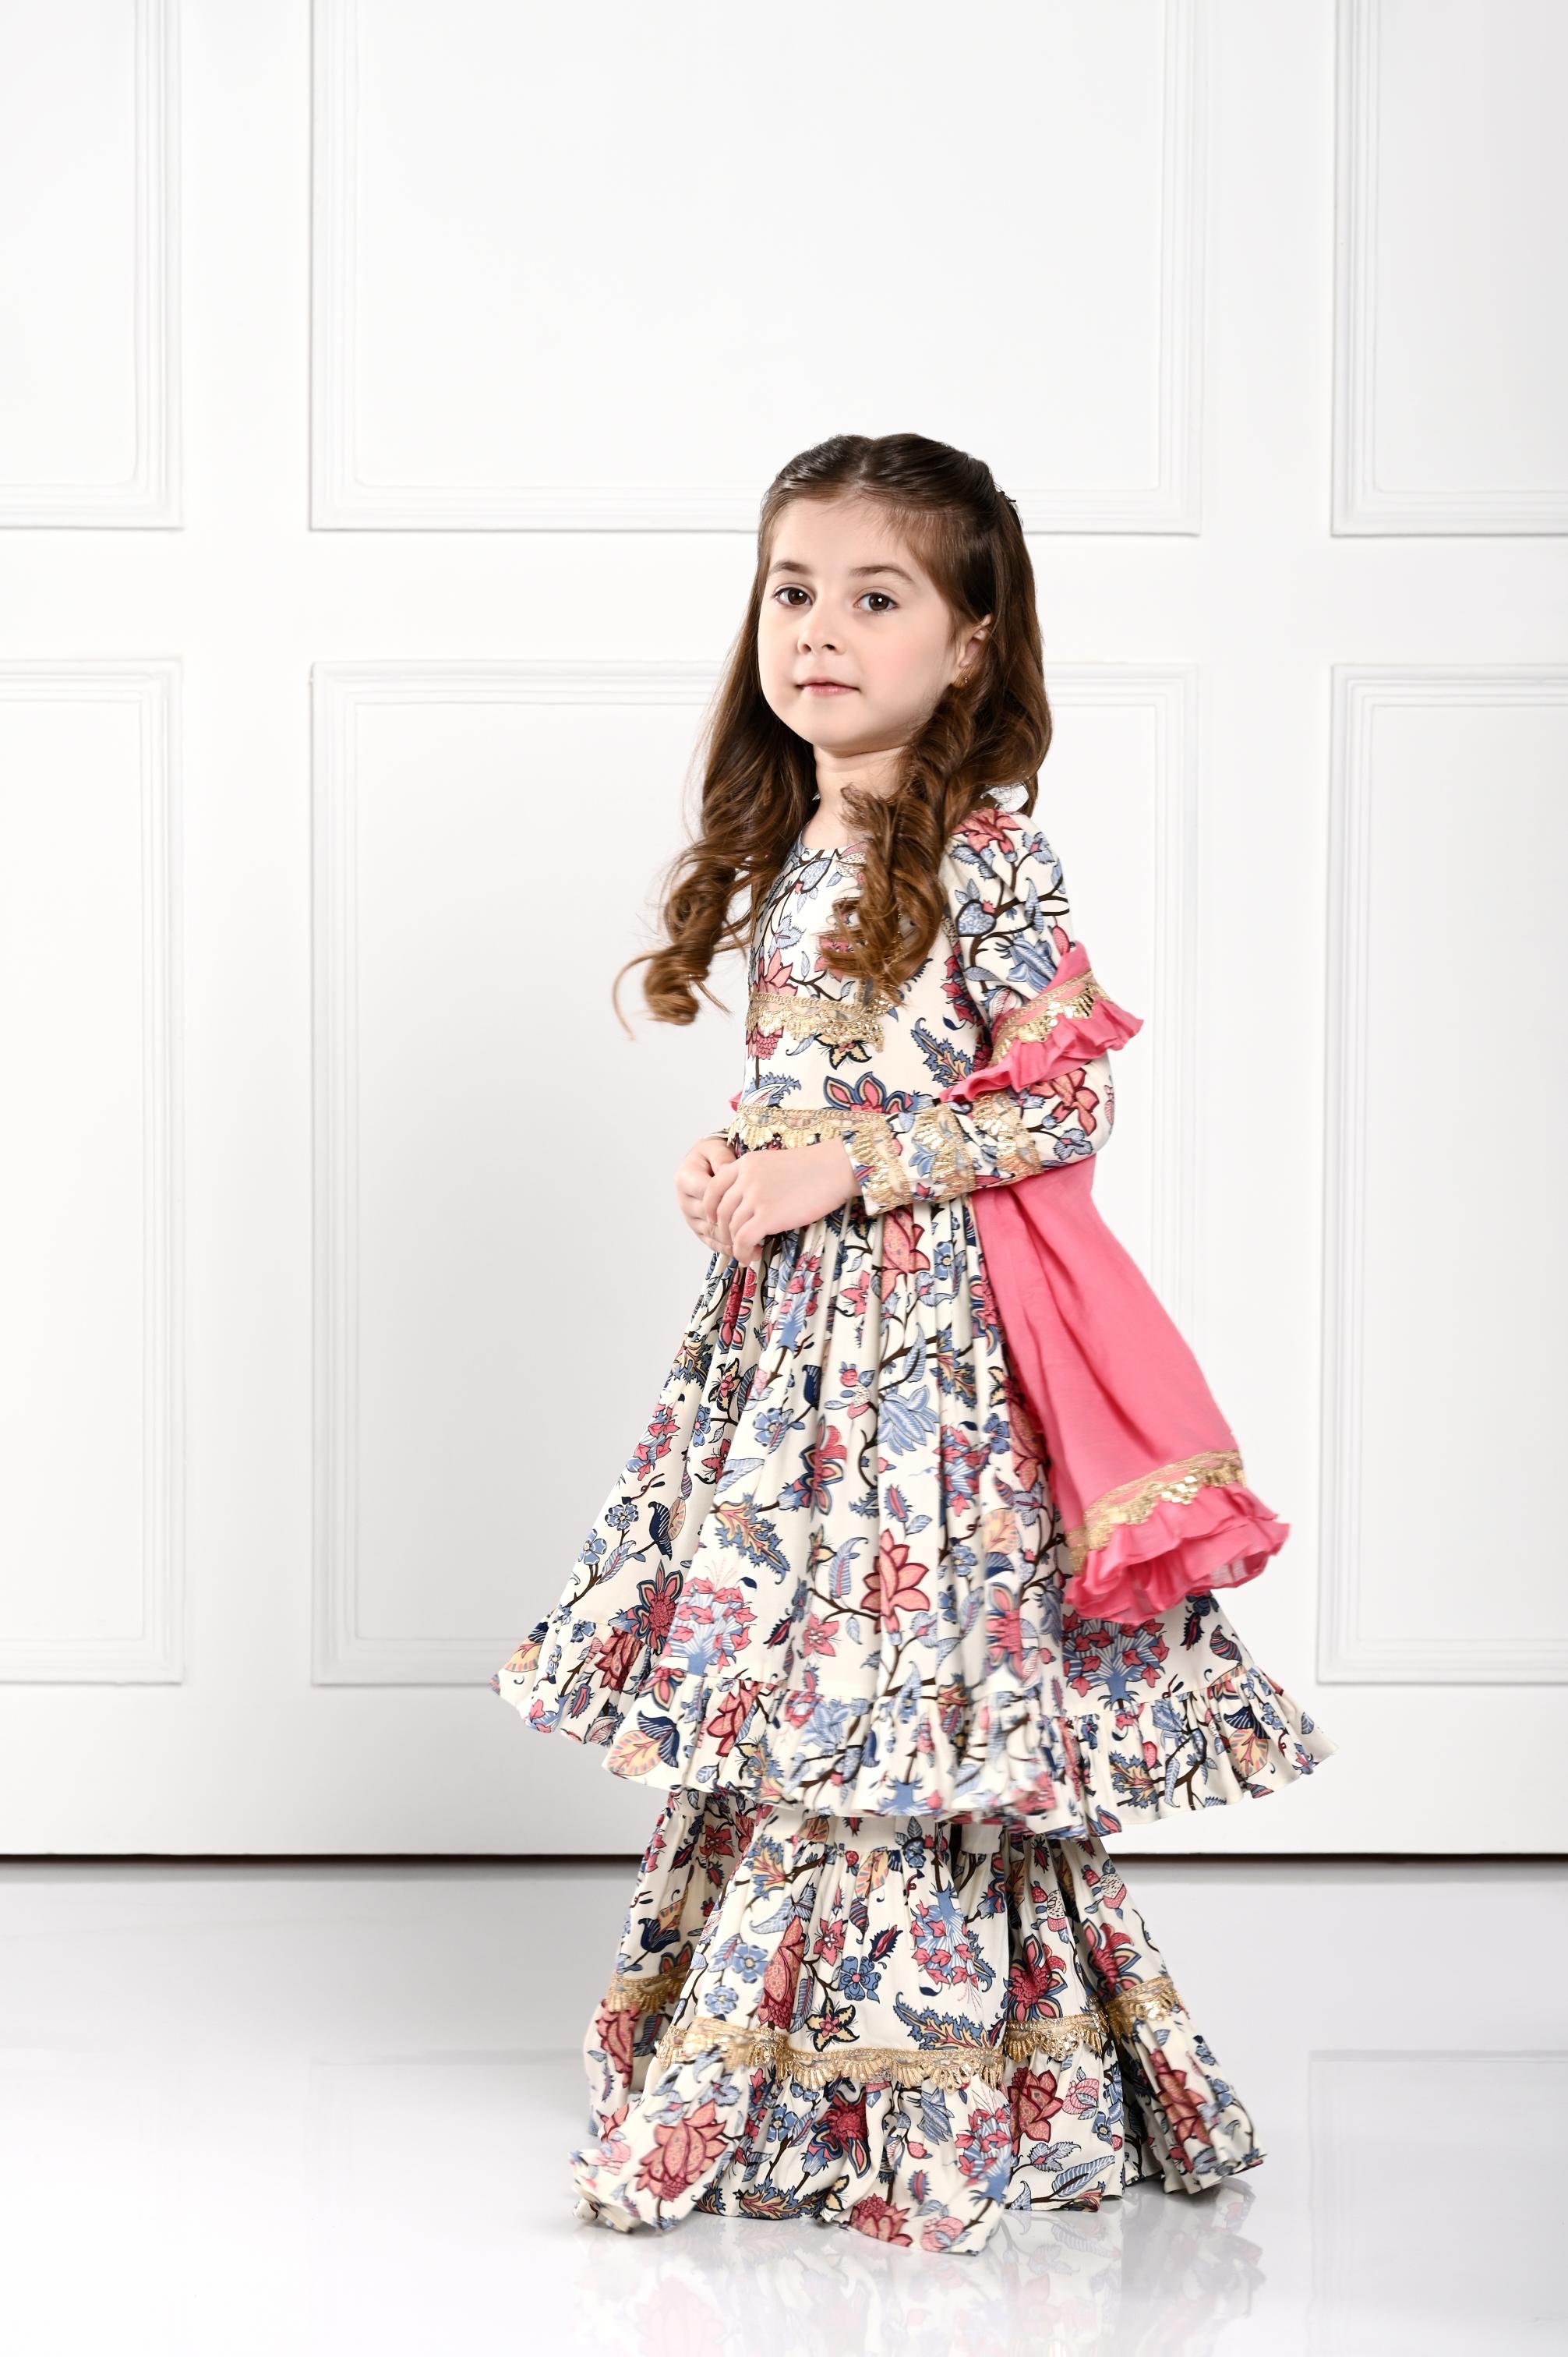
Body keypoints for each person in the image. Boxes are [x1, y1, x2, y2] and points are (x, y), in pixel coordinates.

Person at [491, 431, 1333, 2255]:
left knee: (894, 1680)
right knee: (791, 1667)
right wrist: (739, 1161)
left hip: (923, 1369)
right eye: (792, 590)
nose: (818, 629)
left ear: (969, 645)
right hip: (789, 1353)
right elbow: (830, 1079)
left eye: (876, 597)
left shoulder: (982, 853)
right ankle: (772, 2058)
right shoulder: (799, 843)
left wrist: (846, 1169)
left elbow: (1061, 1104)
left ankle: (930, 2074)